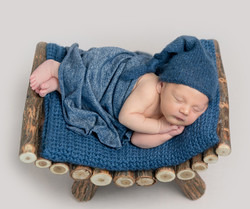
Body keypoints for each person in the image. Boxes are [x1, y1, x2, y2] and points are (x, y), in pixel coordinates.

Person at [29, 36, 218, 149]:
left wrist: (166, 134)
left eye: (196, 109)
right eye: (179, 99)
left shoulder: (170, 114)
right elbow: (127, 118)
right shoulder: (150, 91)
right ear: (161, 86)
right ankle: (57, 68)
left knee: (85, 102)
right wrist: (159, 126)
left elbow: (136, 139)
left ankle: (60, 84)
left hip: (118, 105)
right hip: (110, 77)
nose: (185, 111)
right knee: (89, 86)